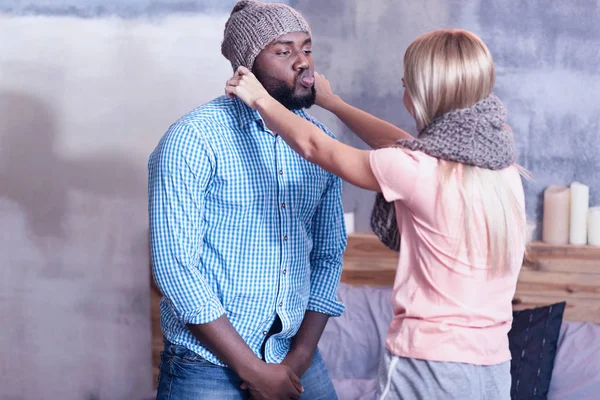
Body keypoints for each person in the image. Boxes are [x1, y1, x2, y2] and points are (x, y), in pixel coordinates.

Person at [226, 29, 527, 400]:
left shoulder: (417, 170)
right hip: (493, 365)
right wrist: (333, 103)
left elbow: (316, 146)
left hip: (430, 364)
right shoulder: (503, 171)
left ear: (423, 92)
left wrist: (260, 99)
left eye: (405, 85)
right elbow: (401, 144)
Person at [148, 1, 345, 399]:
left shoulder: (320, 144)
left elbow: (329, 252)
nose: (303, 62)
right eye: (283, 50)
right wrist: (252, 369)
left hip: (296, 359)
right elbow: (175, 267)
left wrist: (299, 357)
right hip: (207, 366)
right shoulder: (193, 139)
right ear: (246, 65)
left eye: (306, 48)